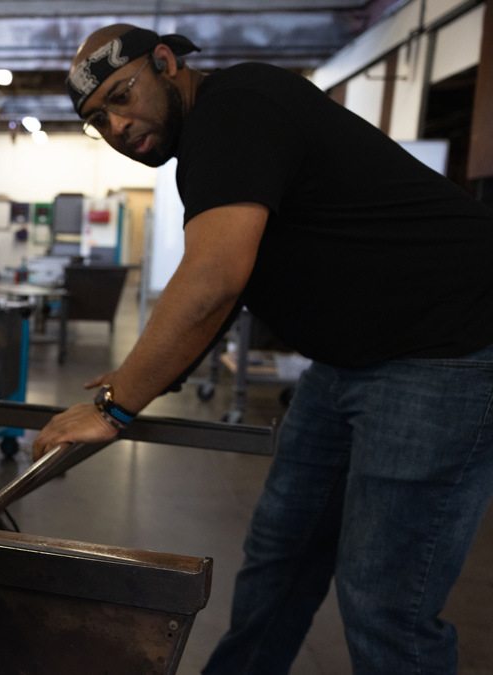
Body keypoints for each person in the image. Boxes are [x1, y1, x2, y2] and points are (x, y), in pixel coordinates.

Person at [34, 24, 493, 675]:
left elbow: (214, 279)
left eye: (121, 94)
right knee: (282, 554)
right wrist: (147, 372)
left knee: (386, 598)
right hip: (348, 361)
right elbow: (236, 283)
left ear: (166, 62)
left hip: (443, 347)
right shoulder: (210, 142)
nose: (116, 124)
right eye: (97, 118)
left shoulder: (237, 105)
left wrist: (116, 405)